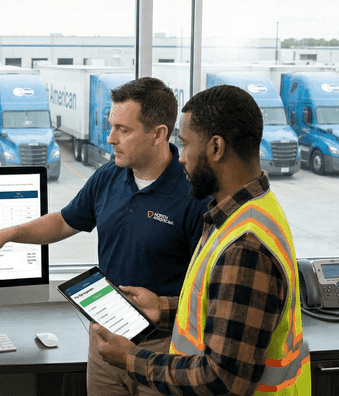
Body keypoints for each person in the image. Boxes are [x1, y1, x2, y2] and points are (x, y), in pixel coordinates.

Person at [0, 77, 210, 396]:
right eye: (111, 126)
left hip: (162, 350)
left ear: (159, 133)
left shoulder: (193, 195)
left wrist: (162, 304)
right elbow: (64, 222)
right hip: (104, 340)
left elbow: (208, 291)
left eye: (123, 130)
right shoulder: (109, 175)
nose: (110, 138)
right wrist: (7, 235)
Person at [90, 85, 310, 395]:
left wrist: (131, 359)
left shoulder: (245, 246)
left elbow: (222, 379)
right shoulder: (251, 210)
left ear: (216, 148)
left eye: (186, 144)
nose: (181, 158)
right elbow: (220, 309)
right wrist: (162, 308)